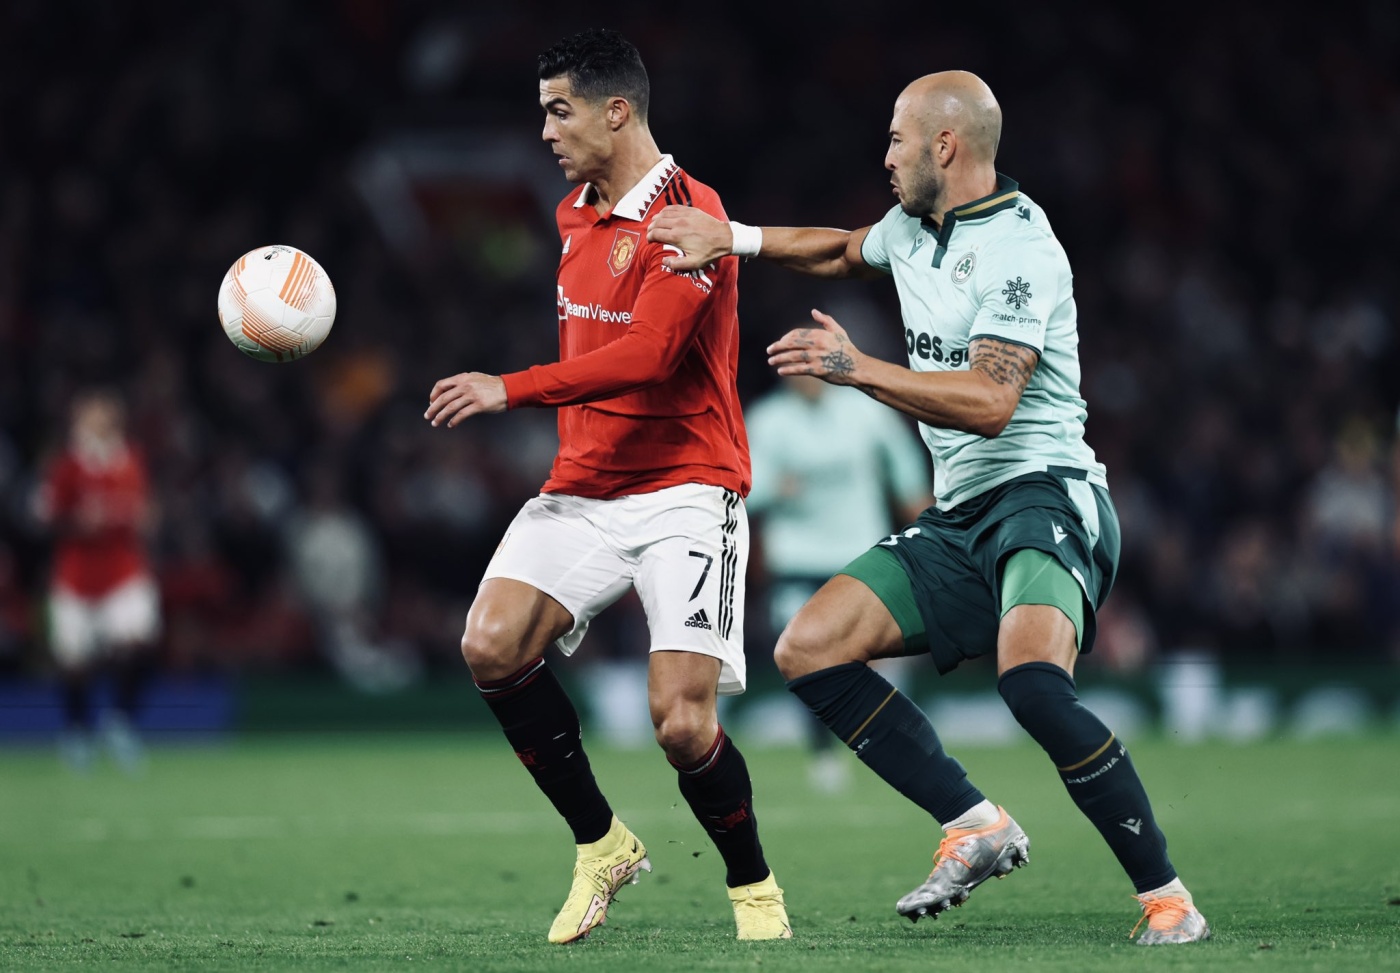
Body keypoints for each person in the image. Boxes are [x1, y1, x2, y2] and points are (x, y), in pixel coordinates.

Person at [648, 71, 1209, 945]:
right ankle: (975, 822)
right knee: (808, 647)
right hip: (960, 515)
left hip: (1045, 494)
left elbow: (991, 402)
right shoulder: (914, 229)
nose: (885, 156)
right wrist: (734, 239)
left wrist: (857, 369)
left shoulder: (1022, 249)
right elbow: (841, 250)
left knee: (1031, 684)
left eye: (896, 139)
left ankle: (1169, 898)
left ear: (945, 146)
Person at [423, 28, 790, 944]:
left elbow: (650, 355)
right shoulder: (572, 213)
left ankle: (754, 890)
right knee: (490, 643)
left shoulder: (691, 216)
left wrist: (510, 387)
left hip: (686, 489)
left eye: (560, 111)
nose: (546, 131)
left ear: (616, 111)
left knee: (680, 723)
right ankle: (602, 842)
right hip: (584, 487)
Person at [746, 372, 931, 790]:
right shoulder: (768, 420)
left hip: (859, 554)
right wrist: (774, 488)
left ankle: (892, 743)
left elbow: (904, 465)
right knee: (803, 658)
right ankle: (823, 752)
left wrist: (921, 513)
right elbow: (744, 489)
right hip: (796, 557)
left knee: (871, 658)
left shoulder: (865, 411)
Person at [35, 389, 158, 773]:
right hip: (76, 576)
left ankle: (119, 721)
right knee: (73, 662)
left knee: (137, 640)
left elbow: (143, 511)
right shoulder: (66, 466)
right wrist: (77, 523)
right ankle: (77, 731)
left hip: (122, 572)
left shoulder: (129, 461)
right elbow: (47, 517)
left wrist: (140, 517)